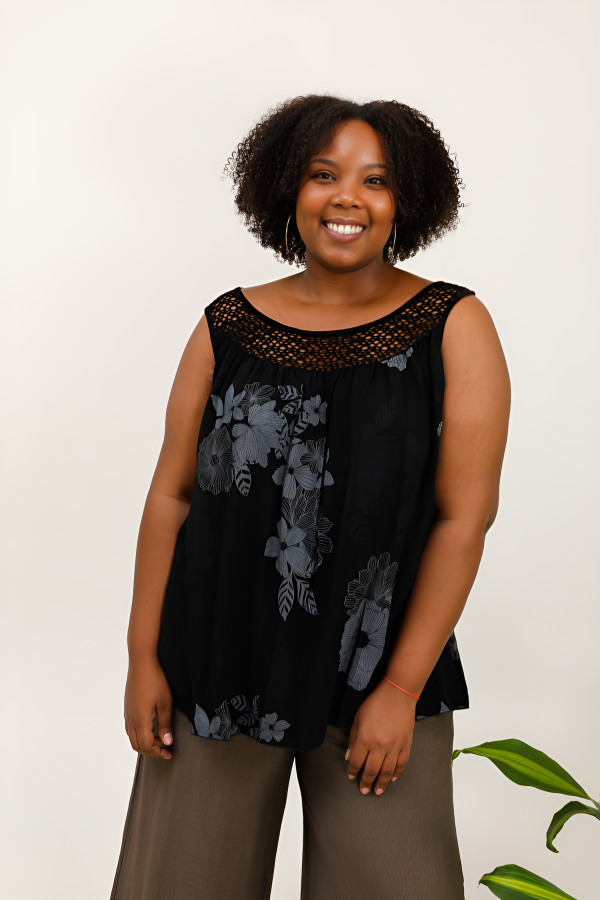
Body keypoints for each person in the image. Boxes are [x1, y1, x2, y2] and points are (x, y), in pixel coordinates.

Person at [111, 95, 510, 900]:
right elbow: (171, 496)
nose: (347, 197)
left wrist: (400, 691)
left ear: (408, 200)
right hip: (214, 664)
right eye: (324, 174)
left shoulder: (453, 325)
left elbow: (464, 520)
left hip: (379, 671)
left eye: (376, 180)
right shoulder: (225, 326)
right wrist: (142, 657)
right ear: (288, 188)